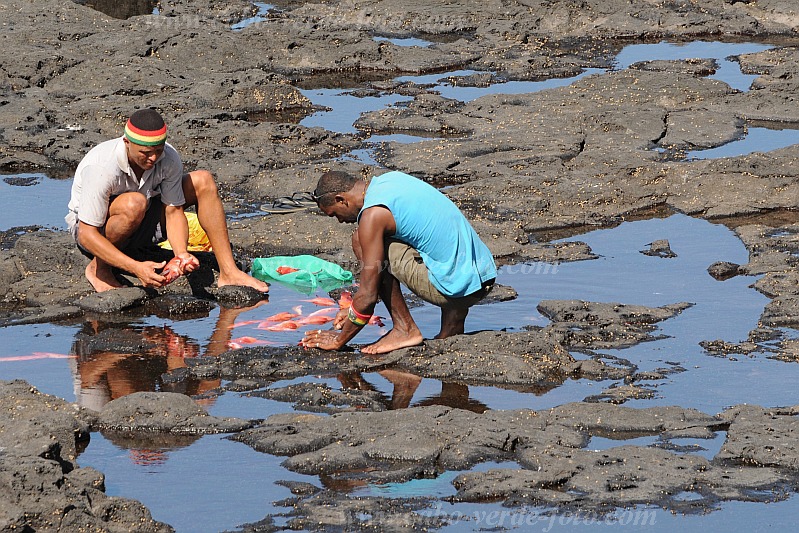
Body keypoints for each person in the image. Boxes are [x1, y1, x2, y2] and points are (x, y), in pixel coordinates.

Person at [66, 108, 269, 293]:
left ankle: (229, 271)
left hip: (140, 224)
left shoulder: (168, 157)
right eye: (146, 153)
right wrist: (136, 268)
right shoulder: (102, 167)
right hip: (96, 232)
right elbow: (86, 234)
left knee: (202, 181)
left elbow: (173, 211)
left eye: (158, 151)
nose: (153, 158)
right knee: (134, 204)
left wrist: (181, 255)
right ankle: (99, 269)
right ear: (127, 143)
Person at [301, 170, 496, 354]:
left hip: (460, 292)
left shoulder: (372, 215)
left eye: (334, 214)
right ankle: (451, 328)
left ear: (341, 200)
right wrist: (354, 308)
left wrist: (338, 340)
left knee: (362, 240)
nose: (339, 221)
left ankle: (404, 328)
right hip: (482, 275)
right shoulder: (390, 180)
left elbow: (367, 297)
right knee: (422, 240)